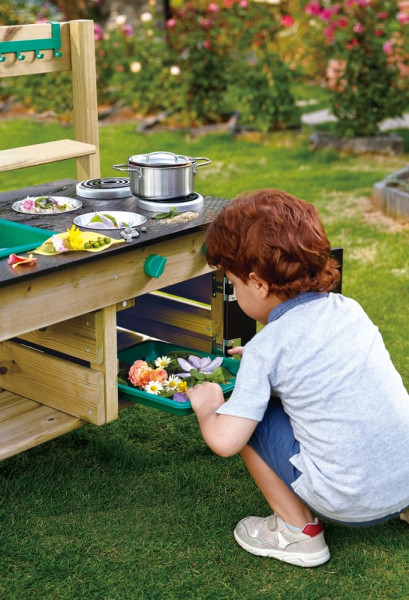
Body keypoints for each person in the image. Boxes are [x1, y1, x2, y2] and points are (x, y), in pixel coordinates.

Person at [186, 189, 409, 568]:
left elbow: (225, 441)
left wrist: (210, 407)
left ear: (257, 283)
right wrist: (261, 363)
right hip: (402, 484)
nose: (235, 292)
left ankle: (297, 533)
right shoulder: (347, 310)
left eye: (233, 283)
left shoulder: (267, 348)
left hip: (347, 501)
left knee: (248, 418)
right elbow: (318, 365)